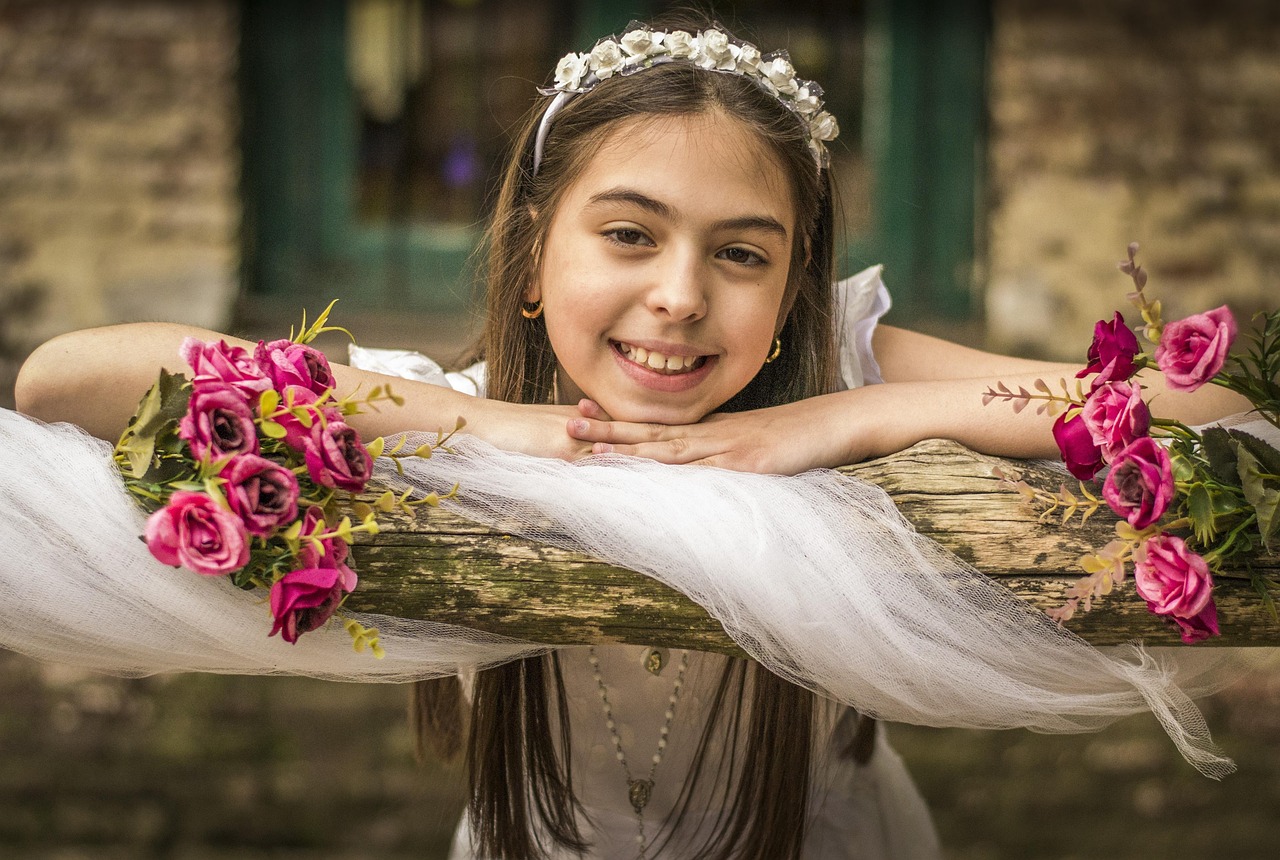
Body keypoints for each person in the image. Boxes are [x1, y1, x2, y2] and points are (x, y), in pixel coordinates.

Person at [7, 15, 1253, 860]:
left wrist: (853, 409)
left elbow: (1206, 407)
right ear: (535, 255)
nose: (677, 295)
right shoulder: (442, 408)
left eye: (741, 254)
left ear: (792, 289)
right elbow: (65, 378)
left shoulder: (840, 363)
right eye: (627, 233)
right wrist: (478, 421)